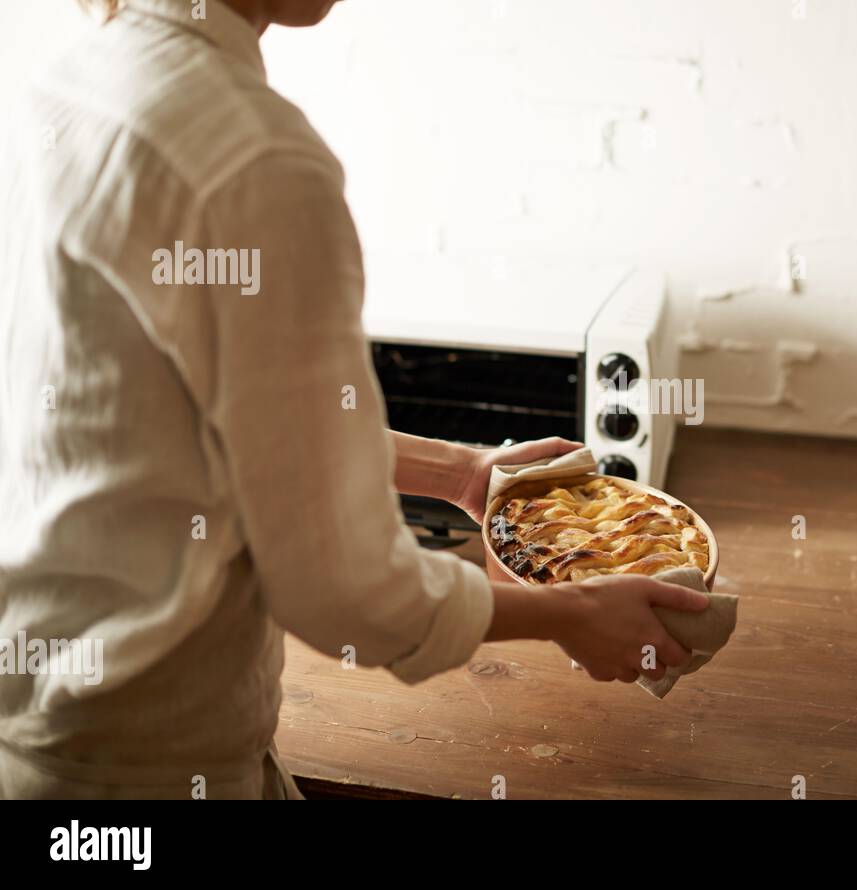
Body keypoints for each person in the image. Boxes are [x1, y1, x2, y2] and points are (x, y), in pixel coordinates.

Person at [0, 0, 709, 799]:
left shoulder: (65, 86)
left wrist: (462, 473)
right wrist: (574, 616)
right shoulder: (256, 160)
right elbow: (343, 592)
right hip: (151, 768)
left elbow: (201, 425)